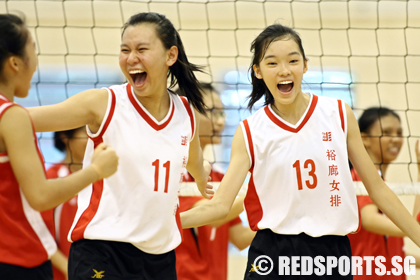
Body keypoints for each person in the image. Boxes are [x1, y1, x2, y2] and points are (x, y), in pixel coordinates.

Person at [180, 23, 420, 279]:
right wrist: (167, 220)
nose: (284, 70)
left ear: (305, 65)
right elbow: (219, 206)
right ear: (258, 71)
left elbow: (378, 189)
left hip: (331, 256)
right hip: (272, 256)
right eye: (272, 63)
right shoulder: (250, 131)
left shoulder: (337, 114)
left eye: (292, 60)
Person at [28, 12, 212, 280]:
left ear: (170, 56)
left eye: (141, 49)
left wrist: (203, 172)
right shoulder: (104, 103)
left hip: (160, 260)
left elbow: (194, 162)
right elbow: (24, 121)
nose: (131, 58)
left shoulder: (186, 114)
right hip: (102, 251)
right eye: (125, 50)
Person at [0, 13, 118, 280]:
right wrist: (96, 170)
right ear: (15, 62)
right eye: (34, 51)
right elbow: (40, 196)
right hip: (18, 259)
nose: (36, 63)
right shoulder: (11, 115)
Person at [175, 83, 256, 280]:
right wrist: (259, 189)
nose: (221, 121)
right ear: (186, 114)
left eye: (222, 113)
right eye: (213, 112)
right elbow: (213, 214)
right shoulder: (173, 172)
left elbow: (240, 238)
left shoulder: (219, 177)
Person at [347, 107, 413, 279]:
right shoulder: (362, 177)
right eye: (387, 132)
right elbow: (369, 220)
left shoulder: (381, 183)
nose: (395, 139)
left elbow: (389, 253)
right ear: (364, 139)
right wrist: (412, 229)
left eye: (399, 133)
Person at [40, 127, 88, 280]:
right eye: (87, 134)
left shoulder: (105, 179)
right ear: (65, 137)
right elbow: (39, 233)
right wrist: (68, 268)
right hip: (60, 273)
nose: (93, 139)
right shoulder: (50, 179)